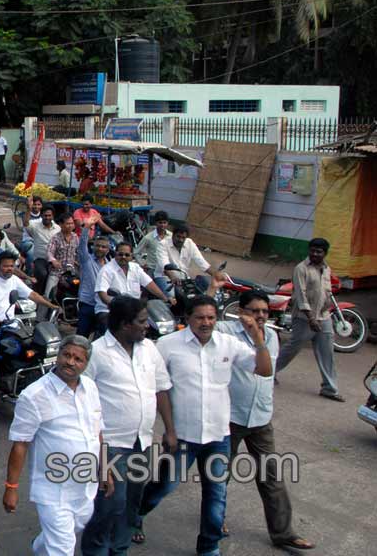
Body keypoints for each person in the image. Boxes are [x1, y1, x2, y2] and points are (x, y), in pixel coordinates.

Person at [137, 295, 273, 556]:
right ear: (187, 318)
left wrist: (257, 338)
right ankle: (136, 515)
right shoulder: (167, 345)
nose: (206, 322)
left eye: (211, 317)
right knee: (164, 485)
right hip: (183, 436)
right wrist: (168, 430)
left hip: (218, 435)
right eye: (200, 317)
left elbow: (265, 370)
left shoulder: (228, 344)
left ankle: (209, 546)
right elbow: (158, 388)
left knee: (216, 494)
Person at [212, 289, 315, 551]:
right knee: (221, 474)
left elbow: (266, 373)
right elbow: (202, 314)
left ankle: (283, 533)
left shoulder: (271, 336)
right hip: (230, 417)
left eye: (264, 312)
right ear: (240, 311)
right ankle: (215, 521)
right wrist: (212, 290)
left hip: (260, 417)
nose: (260, 316)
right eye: (254, 311)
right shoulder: (224, 331)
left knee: (272, 477)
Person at [79, 297, 176, 555]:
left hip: (142, 442)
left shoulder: (149, 349)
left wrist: (170, 429)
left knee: (131, 505)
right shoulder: (96, 353)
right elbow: (83, 402)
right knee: (109, 506)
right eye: (142, 321)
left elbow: (161, 389)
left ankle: (119, 550)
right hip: (110, 445)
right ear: (124, 324)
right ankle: (96, 550)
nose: (148, 326)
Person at [2, 335, 106, 556]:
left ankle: (40, 547)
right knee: (62, 548)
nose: (70, 362)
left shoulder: (90, 388)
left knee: (69, 532)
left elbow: (97, 431)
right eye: (66, 355)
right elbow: (20, 444)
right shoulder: (34, 395)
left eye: (78, 359)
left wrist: (105, 468)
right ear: (58, 355)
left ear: (86, 364)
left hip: (86, 486)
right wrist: (11, 488)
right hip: (53, 491)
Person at [0, 252, 59, 395]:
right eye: (6, 266)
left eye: (11, 266)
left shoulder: (14, 280)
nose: (9, 268)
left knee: (31, 347)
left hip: (11, 324)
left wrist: (51, 306)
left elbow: (32, 294)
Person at [274, 238, 343, 402]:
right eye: (312, 250)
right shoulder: (301, 268)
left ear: (325, 253)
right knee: (293, 347)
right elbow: (300, 295)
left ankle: (329, 388)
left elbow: (327, 291)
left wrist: (325, 310)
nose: (314, 254)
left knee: (327, 352)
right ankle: (268, 373)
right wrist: (311, 318)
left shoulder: (326, 269)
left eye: (319, 251)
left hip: (324, 317)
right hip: (304, 317)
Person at [95, 242, 172, 333]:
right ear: (115, 254)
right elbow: (103, 295)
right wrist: (117, 306)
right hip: (110, 311)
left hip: (134, 311)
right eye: (120, 254)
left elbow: (150, 284)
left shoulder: (136, 268)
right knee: (116, 334)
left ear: (131, 256)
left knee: (152, 329)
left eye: (127, 255)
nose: (123, 257)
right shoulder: (106, 270)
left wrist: (165, 298)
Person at [75, 225, 111, 339]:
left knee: (102, 338)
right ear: (93, 246)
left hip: (103, 307)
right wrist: (86, 227)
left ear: (108, 250)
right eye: (98, 246)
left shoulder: (111, 265)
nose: (100, 249)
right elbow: (81, 246)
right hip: (88, 304)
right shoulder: (86, 260)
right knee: (81, 337)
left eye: (103, 247)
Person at [42, 212, 79, 316]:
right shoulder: (55, 238)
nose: (71, 225)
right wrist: (53, 260)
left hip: (71, 272)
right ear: (61, 225)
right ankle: (40, 319)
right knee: (47, 295)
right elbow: (49, 252)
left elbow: (78, 253)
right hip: (57, 272)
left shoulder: (75, 237)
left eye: (72, 223)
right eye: (68, 223)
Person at [24, 203, 62, 295]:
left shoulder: (58, 228)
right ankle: (37, 293)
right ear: (41, 215)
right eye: (45, 215)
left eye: (49, 215)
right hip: (40, 259)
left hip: (53, 260)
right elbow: (26, 223)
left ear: (53, 216)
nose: (47, 217)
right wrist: (29, 208)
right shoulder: (35, 225)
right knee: (42, 274)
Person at [136, 210, 172, 286]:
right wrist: (142, 263)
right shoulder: (148, 238)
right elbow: (136, 252)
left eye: (164, 222)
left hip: (167, 270)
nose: (162, 225)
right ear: (156, 223)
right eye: (160, 223)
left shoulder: (171, 236)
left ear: (167, 223)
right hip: (152, 269)